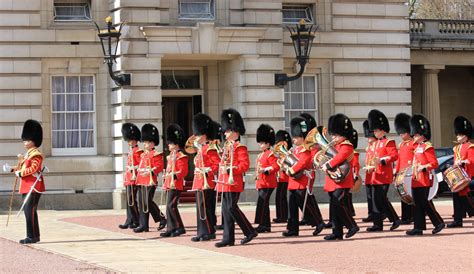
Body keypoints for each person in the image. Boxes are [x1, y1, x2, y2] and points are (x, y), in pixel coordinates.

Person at [215, 108, 257, 247]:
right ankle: (228, 238)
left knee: (232, 208)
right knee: (226, 210)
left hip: (234, 182)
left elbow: (244, 165)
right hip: (225, 182)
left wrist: (231, 169)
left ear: (235, 132)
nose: (225, 133)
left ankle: (249, 231)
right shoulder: (227, 147)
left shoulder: (240, 147)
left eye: (228, 130)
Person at [282, 117, 323, 237]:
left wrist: (292, 169)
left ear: (302, 137)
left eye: (295, 137)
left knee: (306, 204)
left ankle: (318, 222)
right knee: (292, 206)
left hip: (302, 180)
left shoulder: (306, 148)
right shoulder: (295, 150)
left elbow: (303, 162)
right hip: (293, 180)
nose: (293, 140)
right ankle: (292, 229)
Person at [321, 114, 359, 240]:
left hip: (343, 181)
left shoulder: (347, 145)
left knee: (339, 204)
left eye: (336, 135)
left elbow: (339, 158)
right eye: (333, 134)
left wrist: (328, 164)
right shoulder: (336, 146)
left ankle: (352, 225)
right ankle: (337, 232)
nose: (333, 137)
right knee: (335, 206)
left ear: (343, 133)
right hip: (334, 180)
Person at [406, 114, 445, 236]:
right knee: (417, 204)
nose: (414, 136)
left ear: (422, 134)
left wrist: (424, 167)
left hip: (424, 179)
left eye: (416, 134)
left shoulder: (427, 146)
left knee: (424, 203)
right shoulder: (417, 147)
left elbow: (434, 163)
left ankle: (438, 222)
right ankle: (418, 227)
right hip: (416, 179)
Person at [366, 109, 401, 232]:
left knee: (381, 198)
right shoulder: (374, 144)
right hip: (375, 176)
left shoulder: (389, 142)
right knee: (376, 200)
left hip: (384, 175)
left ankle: (395, 219)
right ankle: (377, 224)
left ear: (383, 130)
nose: (375, 133)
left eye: (376, 130)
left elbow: (394, 156)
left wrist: (381, 160)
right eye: (374, 130)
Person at [11, 120, 45, 244]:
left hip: (33, 186)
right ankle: (34, 236)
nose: (24, 142)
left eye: (27, 140)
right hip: (27, 185)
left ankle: (31, 236)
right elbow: (24, 167)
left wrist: (20, 173)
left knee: (29, 210)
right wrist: (13, 169)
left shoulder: (36, 154)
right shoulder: (28, 154)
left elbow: (33, 169)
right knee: (30, 210)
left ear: (33, 140)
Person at [190, 114, 220, 241]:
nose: (195, 137)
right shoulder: (200, 150)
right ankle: (201, 231)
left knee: (205, 207)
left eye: (198, 135)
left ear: (204, 135)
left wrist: (207, 171)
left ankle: (208, 231)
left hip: (207, 181)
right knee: (200, 207)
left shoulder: (210, 149)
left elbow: (216, 164)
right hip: (199, 181)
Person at [134, 124, 166, 233]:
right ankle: (144, 225)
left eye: (147, 142)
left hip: (150, 181)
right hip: (141, 180)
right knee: (141, 202)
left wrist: (151, 170)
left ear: (152, 143)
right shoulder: (143, 155)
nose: (145, 144)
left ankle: (161, 218)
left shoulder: (156, 154)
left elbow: (160, 166)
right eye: (145, 142)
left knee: (147, 201)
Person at [160, 124, 188, 237]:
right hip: (169, 184)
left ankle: (179, 227)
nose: (169, 145)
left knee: (171, 206)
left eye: (171, 143)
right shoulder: (171, 156)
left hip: (176, 184)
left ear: (176, 144)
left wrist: (173, 176)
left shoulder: (181, 156)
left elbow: (183, 171)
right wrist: (166, 175)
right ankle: (171, 228)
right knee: (168, 207)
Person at [447, 116, 474, 228]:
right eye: (457, 134)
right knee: (456, 197)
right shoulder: (456, 148)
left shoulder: (470, 147)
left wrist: (463, 162)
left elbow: (472, 160)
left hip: (467, 175)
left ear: (465, 136)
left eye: (460, 135)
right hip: (458, 177)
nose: (457, 137)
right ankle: (458, 220)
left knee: (463, 198)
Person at [254, 124, 279, 233]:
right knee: (263, 203)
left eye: (262, 143)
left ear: (268, 143)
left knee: (263, 203)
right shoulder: (260, 155)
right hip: (261, 183)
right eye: (260, 142)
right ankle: (265, 225)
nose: (260, 145)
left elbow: (276, 166)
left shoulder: (271, 154)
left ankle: (263, 224)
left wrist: (265, 170)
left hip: (269, 183)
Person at [119, 123, 142, 230]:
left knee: (132, 200)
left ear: (135, 140)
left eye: (131, 140)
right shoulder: (131, 151)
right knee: (129, 201)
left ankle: (136, 220)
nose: (129, 142)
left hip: (134, 178)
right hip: (129, 178)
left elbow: (140, 165)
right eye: (128, 140)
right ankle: (129, 220)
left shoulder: (138, 151)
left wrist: (134, 170)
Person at [394, 113, 415, 225]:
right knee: (403, 195)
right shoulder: (401, 145)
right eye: (400, 132)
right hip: (402, 173)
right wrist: (396, 172)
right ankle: (405, 217)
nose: (401, 134)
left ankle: (412, 216)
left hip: (410, 173)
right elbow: (399, 159)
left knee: (411, 196)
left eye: (403, 132)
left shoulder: (413, 144)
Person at [273, 130, 291, 223]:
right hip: (280, 178)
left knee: (281, 197)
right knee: (278, 197)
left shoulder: (288, 153)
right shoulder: (281, 154)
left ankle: (284, 216)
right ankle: (280, 215)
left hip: (285, 177)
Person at [362, 120, 376, 222]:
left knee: (377, 198)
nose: (368, 139)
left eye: (370, 137)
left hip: (375, 174)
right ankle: (371, 213)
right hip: (368, 175)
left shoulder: (377, 146)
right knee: (369, 196)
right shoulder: (369, 148)